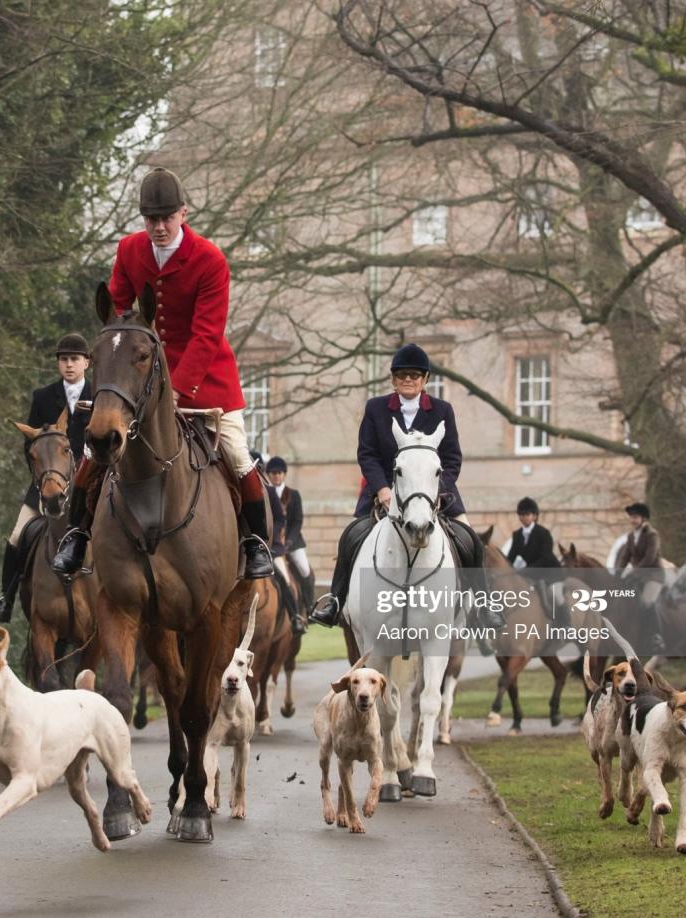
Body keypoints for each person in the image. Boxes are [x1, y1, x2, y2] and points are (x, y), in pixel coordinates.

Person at [52, 167, 273, 580]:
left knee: (238, 455)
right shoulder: (129, 250)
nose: (158, 227)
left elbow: (207, 335)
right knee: (94, 449)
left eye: (166, 218)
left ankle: (256, 544)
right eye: (151, 219)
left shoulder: (210, 260)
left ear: (183, 213)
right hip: (140, 376)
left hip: (206, 380)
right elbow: (118, 312)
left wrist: (178, 391)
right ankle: (78, 535)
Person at [309, 343, 493, 629]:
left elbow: (452, 458)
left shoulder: (443, 410)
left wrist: (438, 493)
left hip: (435, 493)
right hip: (381, 493)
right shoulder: (376, 408)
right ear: (393, 379)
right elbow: (367, 454)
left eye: (415, 375)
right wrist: (382, 489)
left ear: (425, 379)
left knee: (471, 541)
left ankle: (484, 605)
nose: (409, 379)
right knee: (351, 538)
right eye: (403, 374)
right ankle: (336, 601)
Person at [0, 334, 94, 623]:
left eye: (75, 359)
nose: (69, 365)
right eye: (64, 360)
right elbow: (30, 446)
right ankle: (7, 597)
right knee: (15, 535)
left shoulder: (100, 394)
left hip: (91, 484)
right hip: (48, 484)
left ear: (86, 362)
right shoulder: (43, 397)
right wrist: (43, 478)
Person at [267, 455, 316, 633]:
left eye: (279, 473)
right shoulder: (265, 492)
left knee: (305, 570)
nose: (276, 476)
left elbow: (297, 520)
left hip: (292, 542)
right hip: (272, 544)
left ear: (284, 475)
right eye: (273, 473)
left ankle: (310, 609)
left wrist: (289, 540)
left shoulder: (293, 495)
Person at [617, 502, 665, 654]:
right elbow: (625, 556)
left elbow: (650, 558)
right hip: (638, 577)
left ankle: (657, 637)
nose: (633, 520)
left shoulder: (652, 535)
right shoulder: (631, 536)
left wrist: (633, 572)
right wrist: (616, 573)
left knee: (646, 602)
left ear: (643, 518)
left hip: (653, 576)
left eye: (635, 517)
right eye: (631, 517)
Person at [506, 497, 561, 617]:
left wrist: (524, 571)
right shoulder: (517, 535)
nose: (524, 517)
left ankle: (567, 624)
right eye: (521, 514)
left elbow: (546, 558)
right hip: (533, 574)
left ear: (535, 516)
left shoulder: (543, 533)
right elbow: (510, 558)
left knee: (556, 595)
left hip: (551, 573)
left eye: (527, 514)